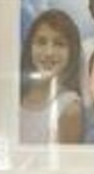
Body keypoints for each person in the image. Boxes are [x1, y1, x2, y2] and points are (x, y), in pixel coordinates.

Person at [19, 8, 83, 143]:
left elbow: (64, 163)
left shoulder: (69, 109)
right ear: (29, 46)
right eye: (41, 42)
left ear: (72, 52)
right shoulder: (13, 95)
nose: (49, 52)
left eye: (59, 44)